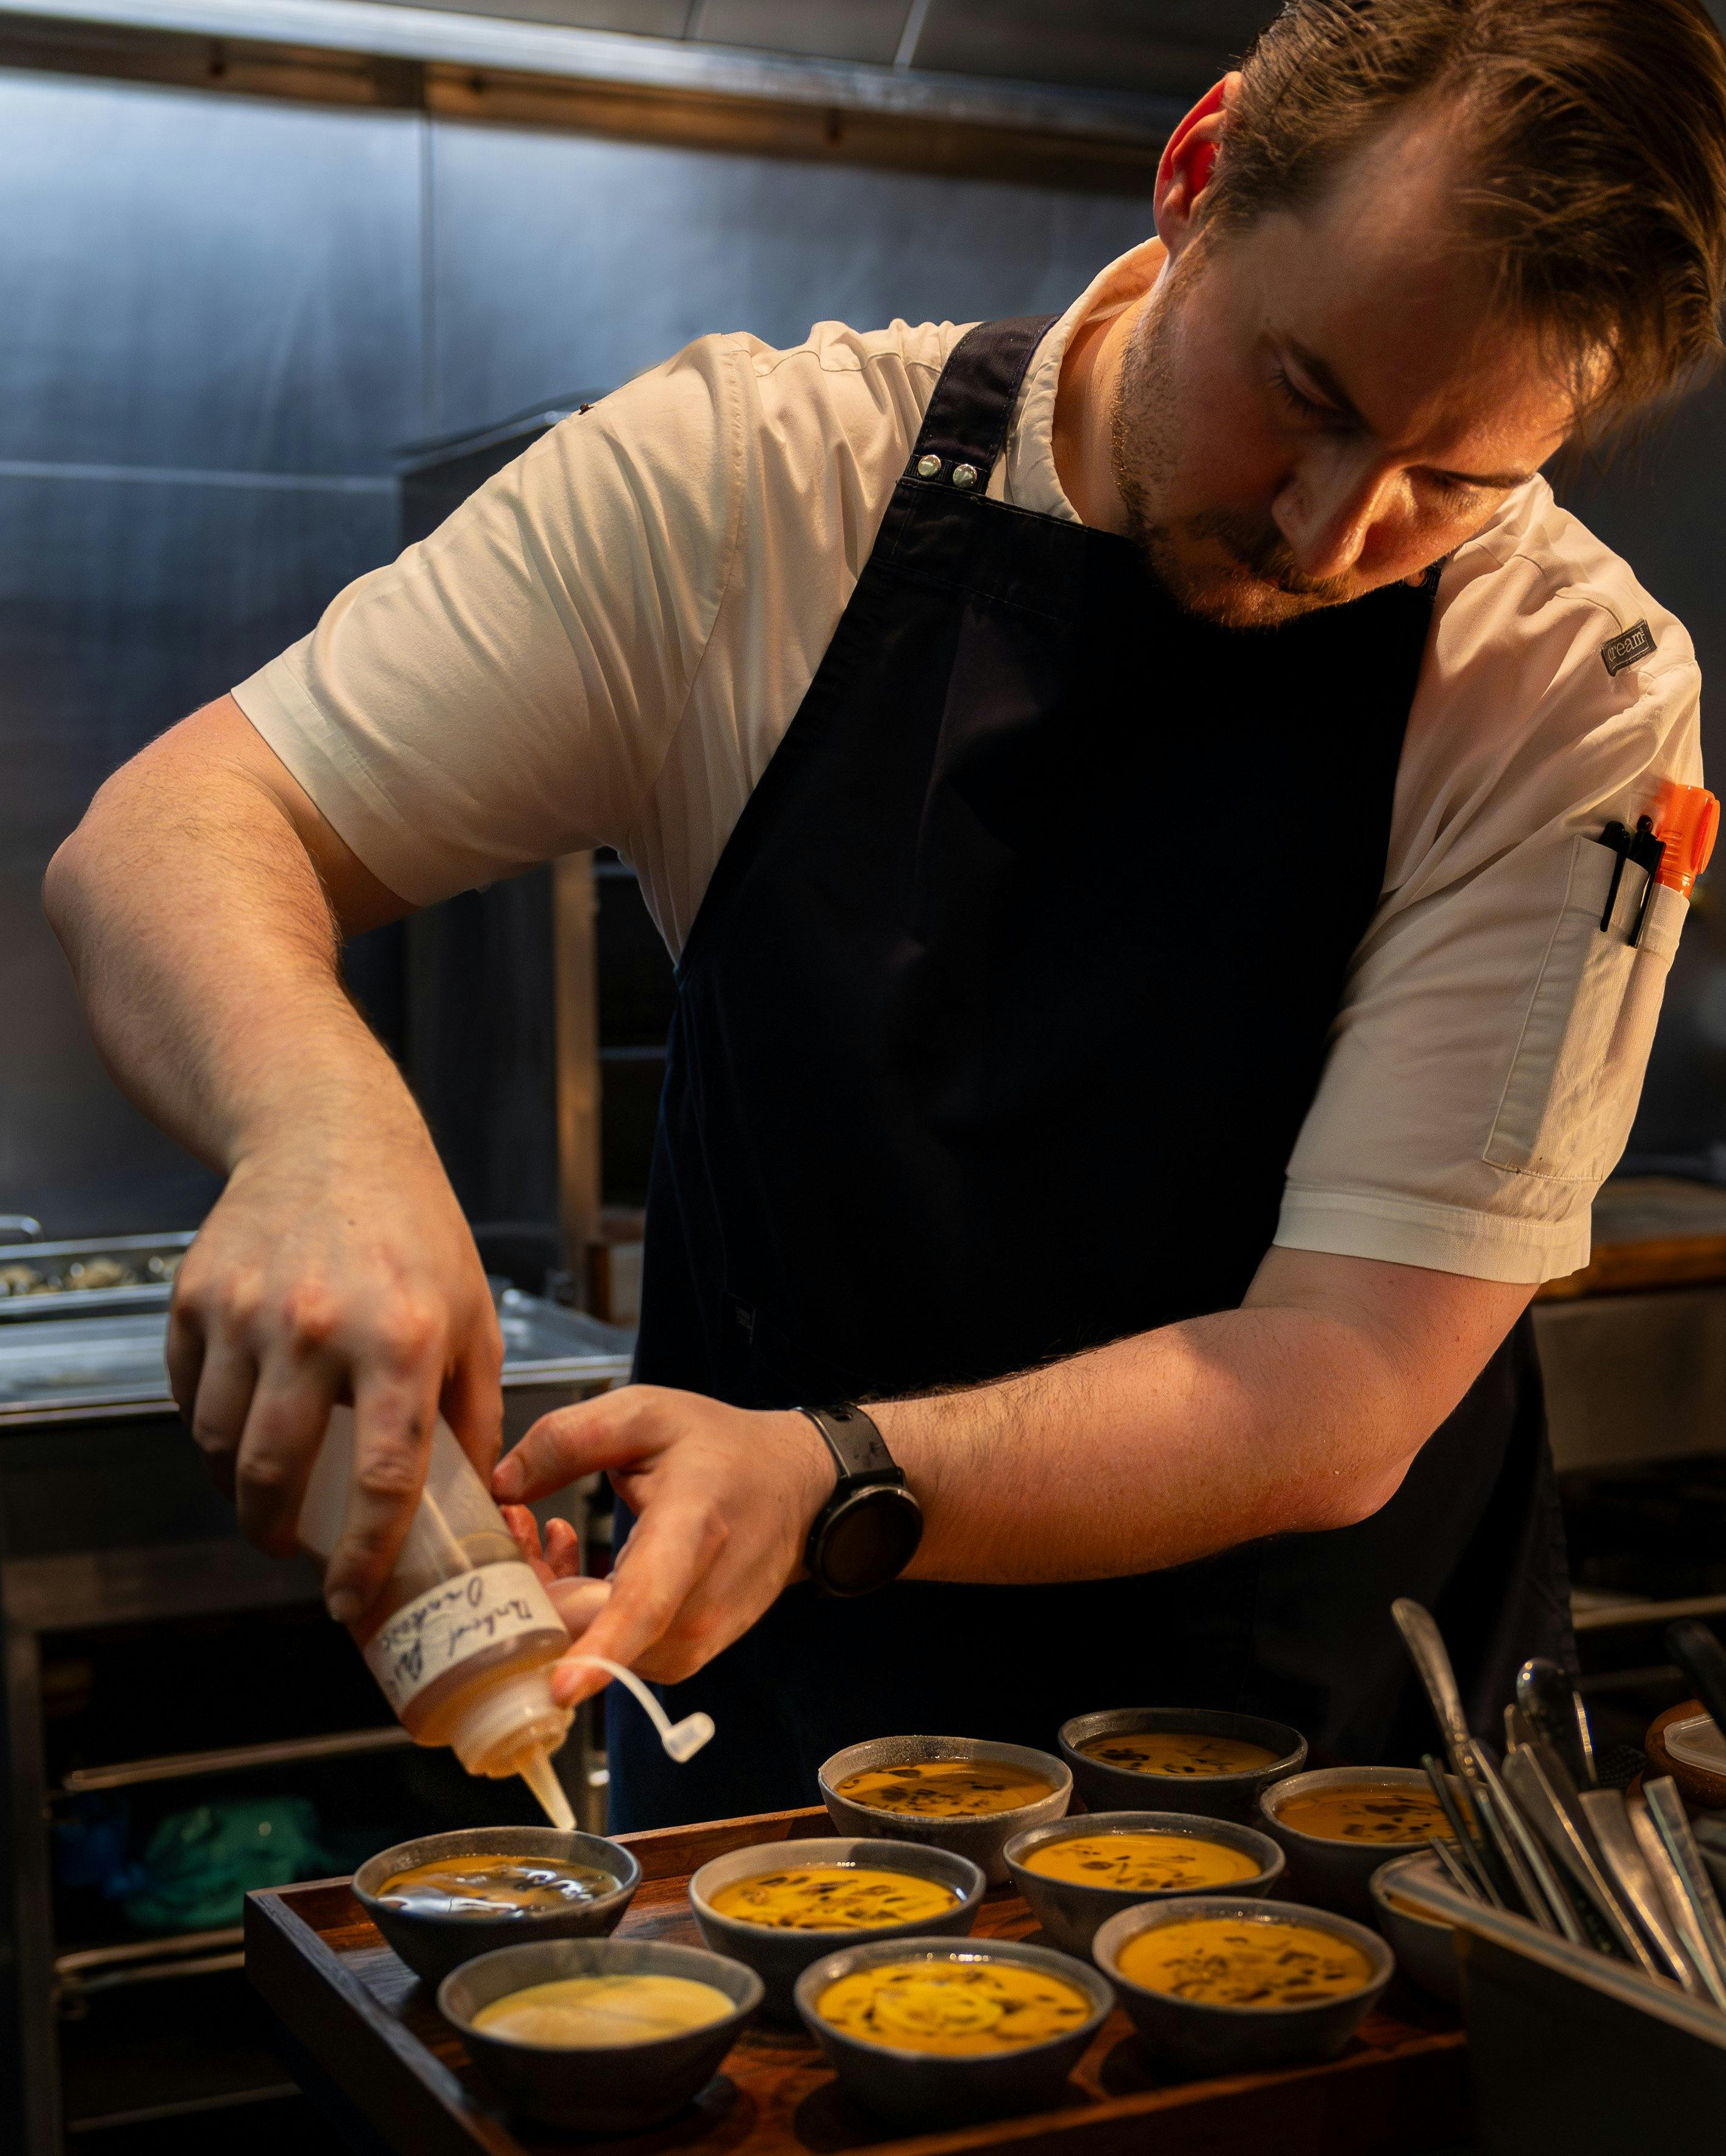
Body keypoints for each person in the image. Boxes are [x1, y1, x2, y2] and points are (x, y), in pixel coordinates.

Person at [45, 0, 1726, 1827]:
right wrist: (320, 1128)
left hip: (1323, 1793)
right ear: (1197, 174)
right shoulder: (753, 488)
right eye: (1308, 397)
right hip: (800, 1760)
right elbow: (179, 822)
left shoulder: (1576, 690)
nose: (1330, 532)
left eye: (1453, 486)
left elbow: (1344, 1378)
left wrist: (829, 1474)